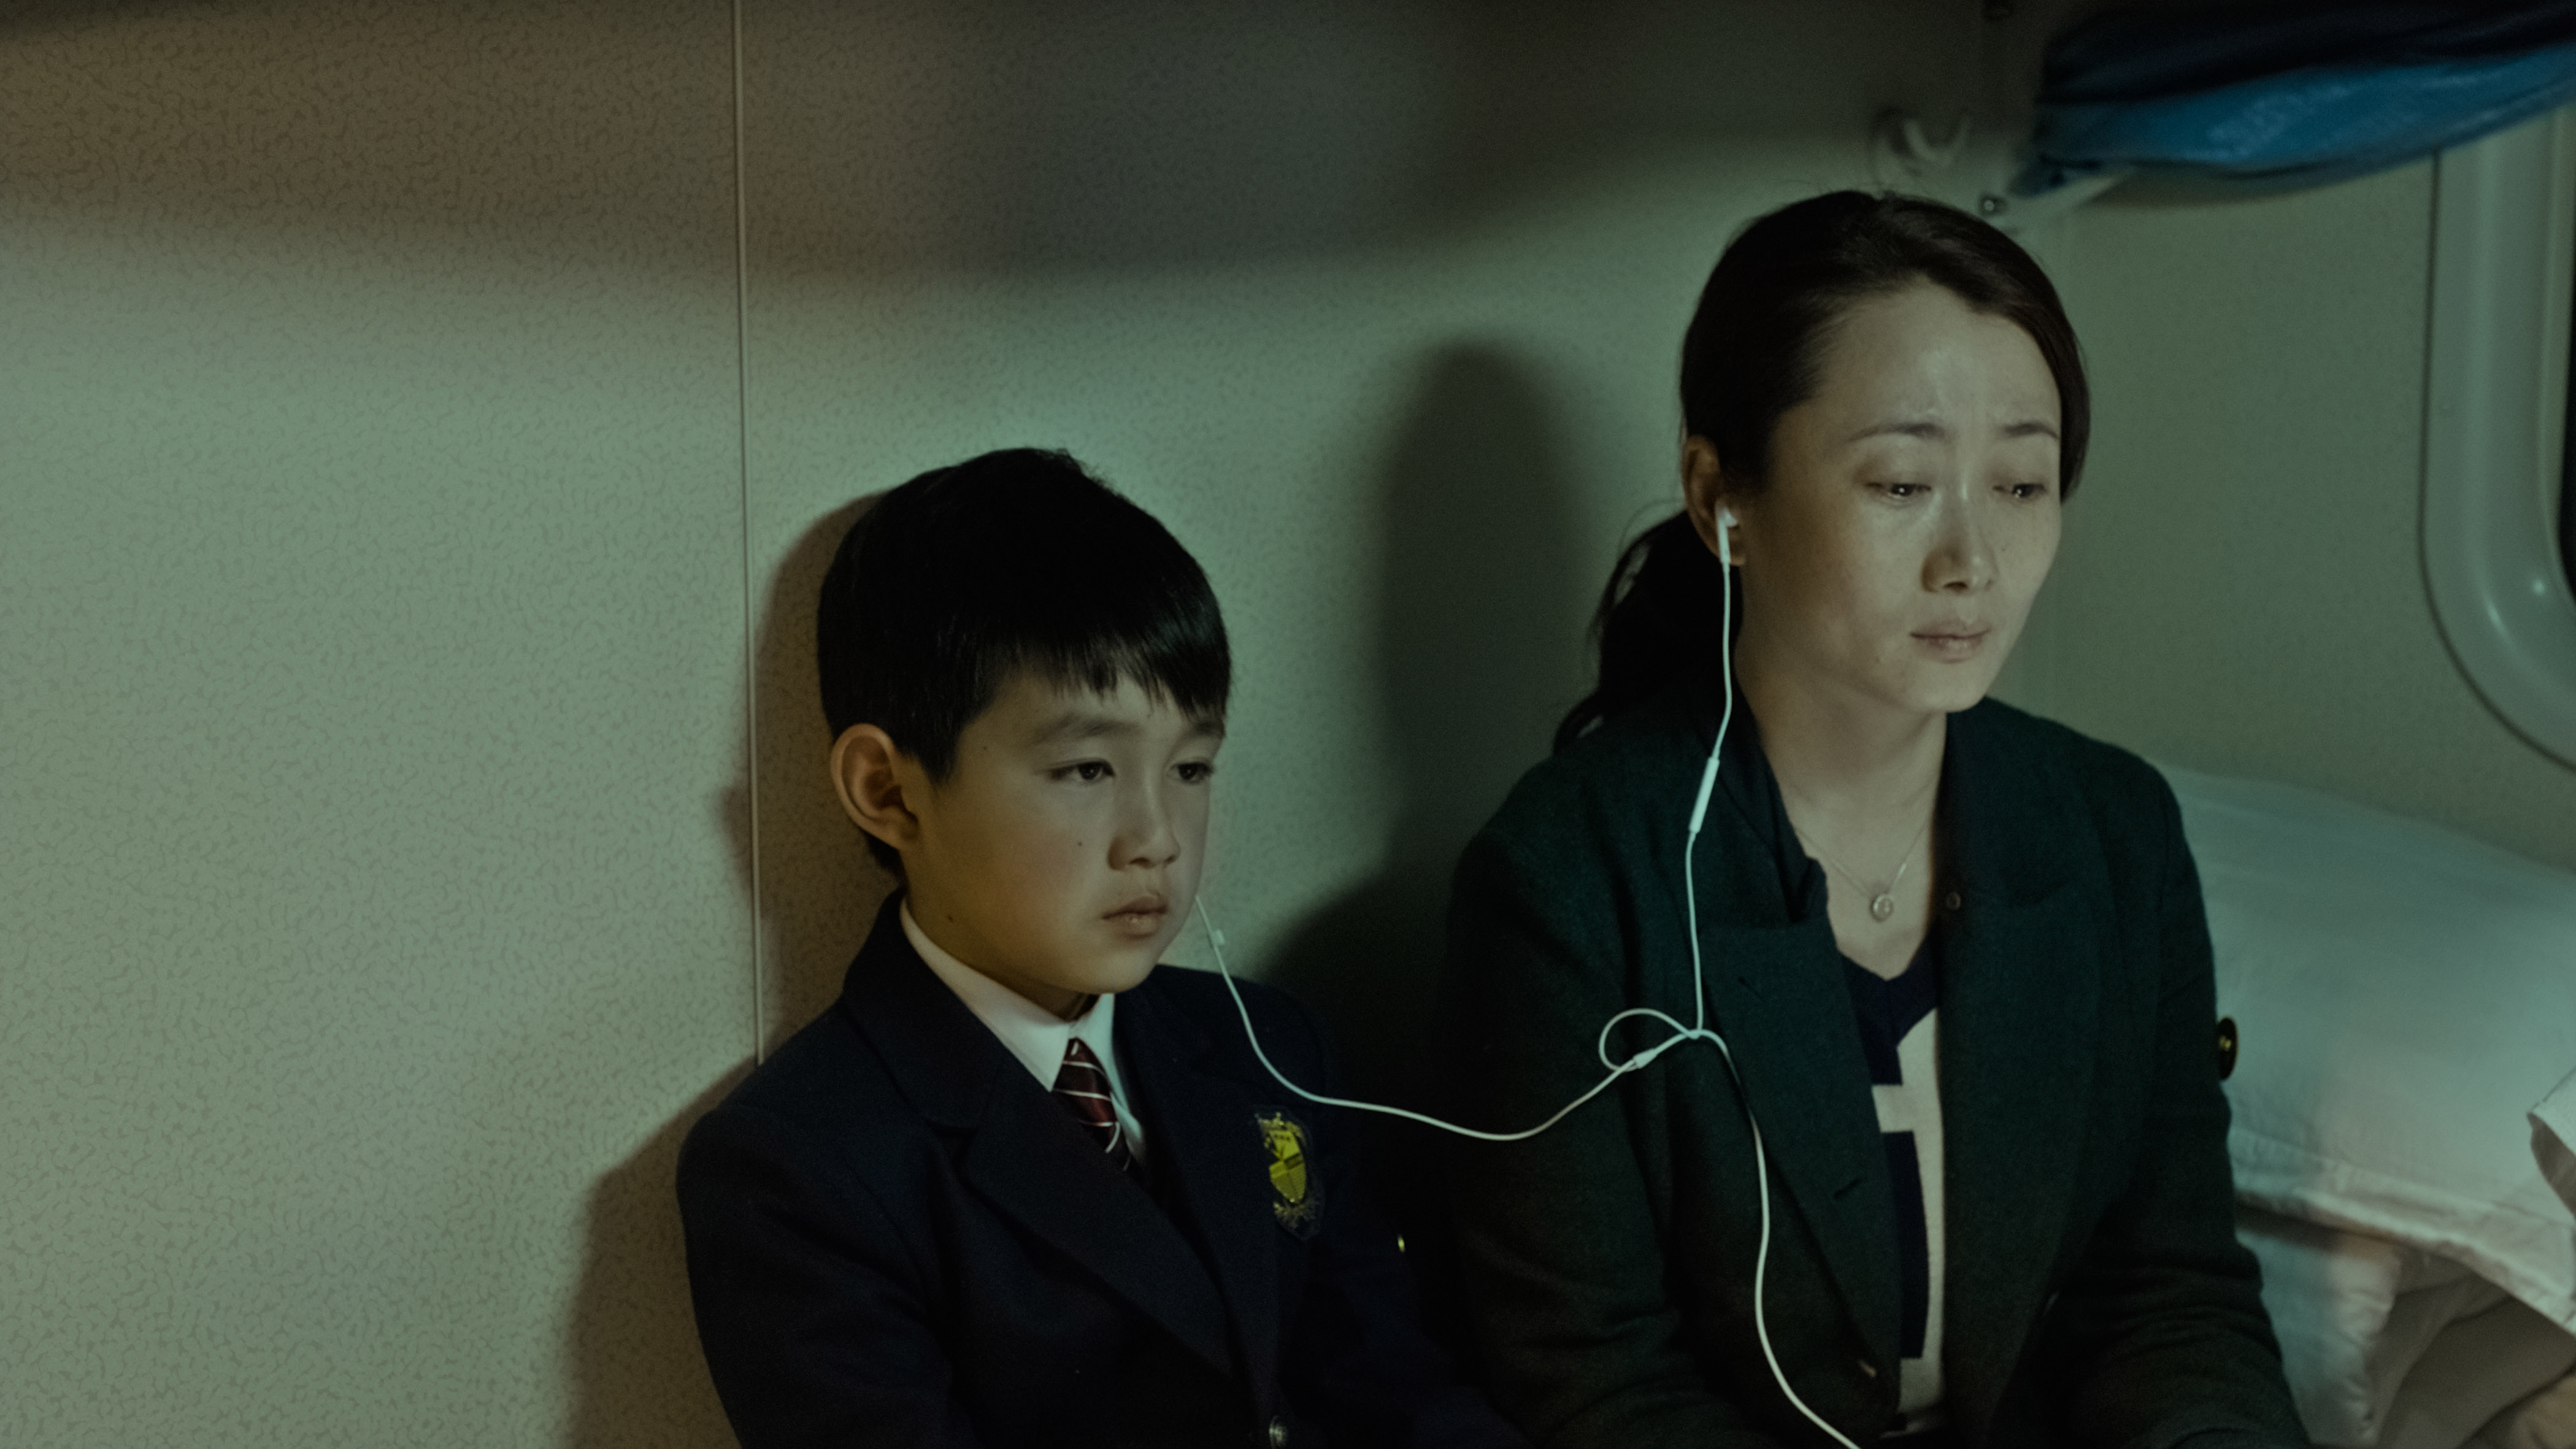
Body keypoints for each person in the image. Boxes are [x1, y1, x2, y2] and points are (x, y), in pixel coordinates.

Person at [1439, 194, 2308, 1449]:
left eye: (2021, 482)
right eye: (1902, 482)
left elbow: (2169, 1296)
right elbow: (1597, 1379)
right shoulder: (1569, 880)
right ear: (1720, 496)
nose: (1973, 559)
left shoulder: (2114, 831)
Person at [678, 448, 1524, 1449]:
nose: (1156, 837)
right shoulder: (803, 1166)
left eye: (1192, 767)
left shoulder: (1268, 1045)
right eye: (1086, 769)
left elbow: (1398, 1394)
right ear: (889, 790)